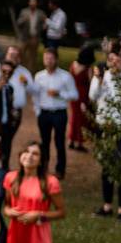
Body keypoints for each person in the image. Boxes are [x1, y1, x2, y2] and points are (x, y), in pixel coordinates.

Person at [90, 47, 121, 219]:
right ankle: (107, 205)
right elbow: (93, 96)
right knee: (107, 166)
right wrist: (99, 79)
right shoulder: (101, 76)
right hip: (105, 126)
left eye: (117, 59)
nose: (114, 62)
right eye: (111, 59)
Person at [30, 46, 78, 179]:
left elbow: (75, 95)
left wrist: (59, 94)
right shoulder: (39, 76)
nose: (49, 61)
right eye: (46, 58)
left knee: (59, 142)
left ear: (56, 59)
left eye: (51, 58)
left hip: (59, 113)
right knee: (44, 143)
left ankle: (60, 170)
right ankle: (43, 169)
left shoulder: (65, 76)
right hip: (44, 113)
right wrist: (37, 110)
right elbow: (35, 95)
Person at [67, 45, 95, 152]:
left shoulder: (73, 65)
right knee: (82, 120)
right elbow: (91, 82)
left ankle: (71, 140)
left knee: (74, 118)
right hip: (83, 95)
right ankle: (79, 142)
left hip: (73, 94)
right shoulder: (88, 68)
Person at [16, 0, 46, 70]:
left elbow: (45, 21)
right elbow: (18, 23)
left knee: (33, 57)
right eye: (31, 3)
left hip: (35, 38)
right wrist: (23, 20)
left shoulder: (40, 13)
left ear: (36, 4)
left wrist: (43, 26)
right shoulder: (24, 11)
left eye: (34, 3)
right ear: (29, 3)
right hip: (25, 38)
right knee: (21, 53)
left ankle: (30, 72)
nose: (32, 4)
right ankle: (22, 68)